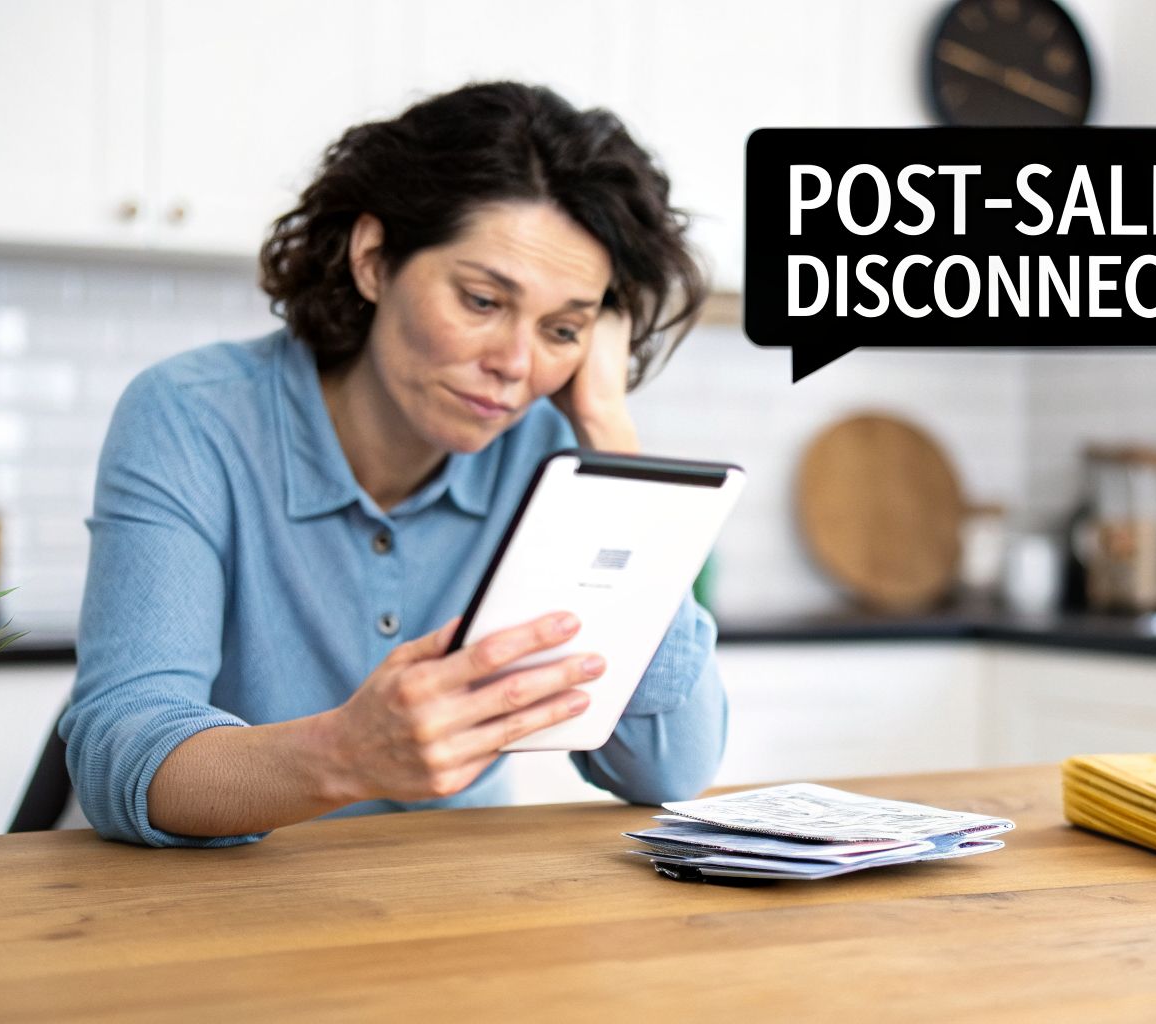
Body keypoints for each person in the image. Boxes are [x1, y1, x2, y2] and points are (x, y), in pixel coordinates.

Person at [59, 82, 722, 848]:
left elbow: (668, 768)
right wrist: (345, 756)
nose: (515, 365)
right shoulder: (191, 418)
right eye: (481, 301)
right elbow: (124, 752)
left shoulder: (553, 450)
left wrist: (610, 436)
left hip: (452, 913)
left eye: (563, 328)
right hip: (227, 920)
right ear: (374, 259)